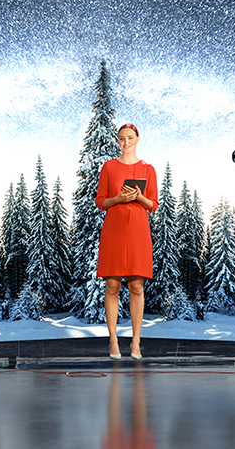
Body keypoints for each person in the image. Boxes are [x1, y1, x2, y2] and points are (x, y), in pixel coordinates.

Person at [96, 123, 159, 360]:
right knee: (112, 286)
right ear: (118, 141)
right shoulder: (109, 167)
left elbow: (153, 205)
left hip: (138, 232)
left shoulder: (148, 169)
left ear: (138, 138)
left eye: (130, 138)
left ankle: (135, 342)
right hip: (113, 230)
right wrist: (118, 198)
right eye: (121, 139)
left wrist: (140, 197)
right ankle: (113, 340)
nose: (126, 142)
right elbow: (100, 201)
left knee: (137, 287)